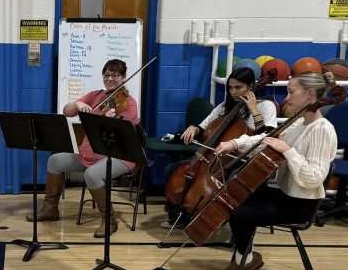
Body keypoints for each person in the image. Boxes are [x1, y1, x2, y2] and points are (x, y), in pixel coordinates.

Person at [213, 70, 339, 270]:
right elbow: (267, 140)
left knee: (240, 213)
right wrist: (235, 143)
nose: (287, 98)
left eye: (291, 92)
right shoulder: (299, 122)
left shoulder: (322, 129)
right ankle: (246, 255)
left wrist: (287, 150)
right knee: (235, 197)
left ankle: (244, 257)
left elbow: (314, 178)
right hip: (285, 193)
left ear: (309, 94)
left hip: (301, 203)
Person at [28, 59, 140, 238]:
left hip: (119, 156)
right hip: (89, 154)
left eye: (115, 75)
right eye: (106, 75)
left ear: (124, 77)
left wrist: (109, 121)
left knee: (92, 174)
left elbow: (122, 134)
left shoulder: (128, 103)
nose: (110, 79)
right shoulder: (96, 95)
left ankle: (109, 220)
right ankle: (50, 209)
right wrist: (77, 105)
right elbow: (67, 111)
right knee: (54, 161)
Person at [162, 67, 278, 228]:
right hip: (215, 158)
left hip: (243, 161)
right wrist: (193, 128)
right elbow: (202, 128)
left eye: (238, 87)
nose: (233, 92)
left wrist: (254, 111)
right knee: (172, 170)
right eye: (230, 88)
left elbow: (267, 137)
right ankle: (178, 216)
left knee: (225, 184)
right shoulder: (224, 107)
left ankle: (212, 220)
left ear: (251, 86)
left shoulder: (266, 106)